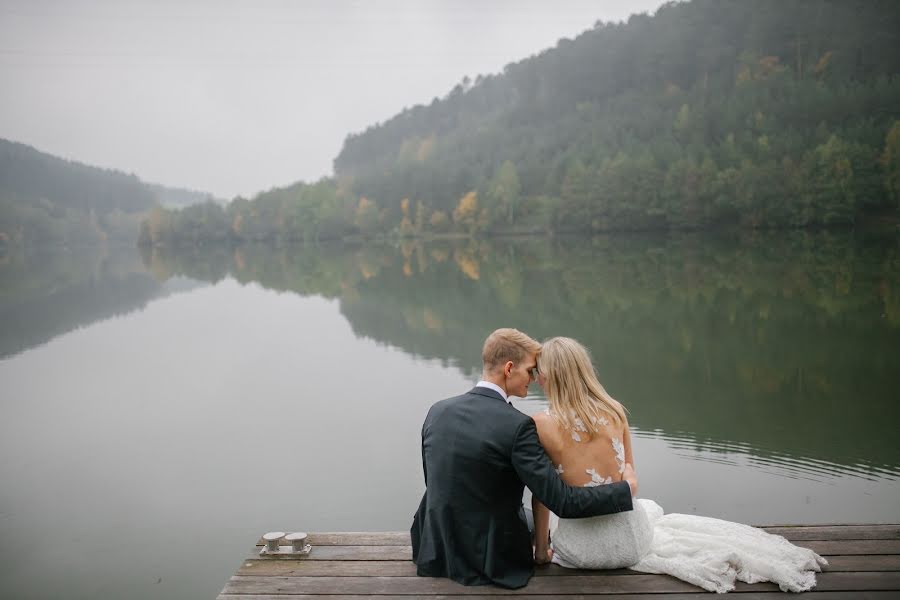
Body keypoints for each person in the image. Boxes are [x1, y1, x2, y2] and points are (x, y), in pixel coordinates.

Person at [531, 336, 828, 593]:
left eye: (539, 373)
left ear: (553, 376)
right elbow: (630, 483)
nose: (536, 378)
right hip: (632, 543)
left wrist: (542, 553)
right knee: (648, 508)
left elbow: (543, 496)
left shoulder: (541, 423)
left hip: (582, 553)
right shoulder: (614, 410)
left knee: (561, 512)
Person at [410, 328, 639, 589]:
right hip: (490, 558)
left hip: (434, 545)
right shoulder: (518, 426)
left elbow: (435, 481)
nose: (534, 378)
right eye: (530, 370)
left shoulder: (437, 411)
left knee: (527, 514)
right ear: (509, 369)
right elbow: (562, 501)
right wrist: (626, 489)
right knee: (531, 515)